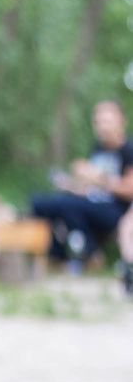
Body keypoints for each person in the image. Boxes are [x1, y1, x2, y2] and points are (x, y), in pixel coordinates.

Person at [29, 100, 133, 273]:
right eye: (98, 121)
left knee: (68, 206)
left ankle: (90, 255)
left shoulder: (129, 149)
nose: (102, 126)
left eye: (107, 121)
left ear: (122, 121)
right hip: (90, 202)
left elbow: (130, 191)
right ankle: (55, 256)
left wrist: (98, 177)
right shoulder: (97, 149)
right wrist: (70, 184)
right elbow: (89, 189)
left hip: (117, 210)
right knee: (41, 203)